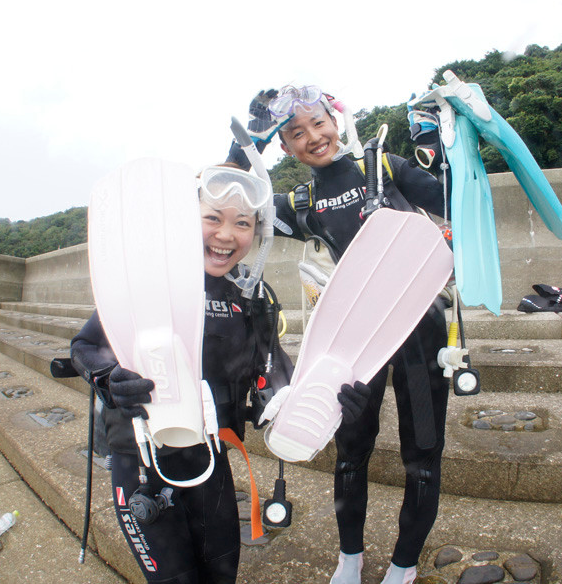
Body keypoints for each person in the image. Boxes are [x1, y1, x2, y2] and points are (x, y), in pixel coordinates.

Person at [71, 163, 372, 584]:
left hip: (212, 461)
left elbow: (278, 380)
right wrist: (108, 378)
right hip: (142, 464)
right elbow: (85, 347)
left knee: (222, 572)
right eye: (212, 218)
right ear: (185, 219)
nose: (227, 235)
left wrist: (332, 402)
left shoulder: (252, 300)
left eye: (242, 223)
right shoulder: (149, 282)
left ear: (258, 232)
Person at [228, 86, 451, 584]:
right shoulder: (301, 202)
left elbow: (456, 199)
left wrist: (444, 143)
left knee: (423, 455)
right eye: (295, 134)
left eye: (318, 123)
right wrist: (245, 150)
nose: (313, 137)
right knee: (351, 451)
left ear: (336, 119)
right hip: (350, 348)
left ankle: (404, 566)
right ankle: (349, 558)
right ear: (284, 148)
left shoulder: (387, 169)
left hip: (421, 331)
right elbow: (227, 207)